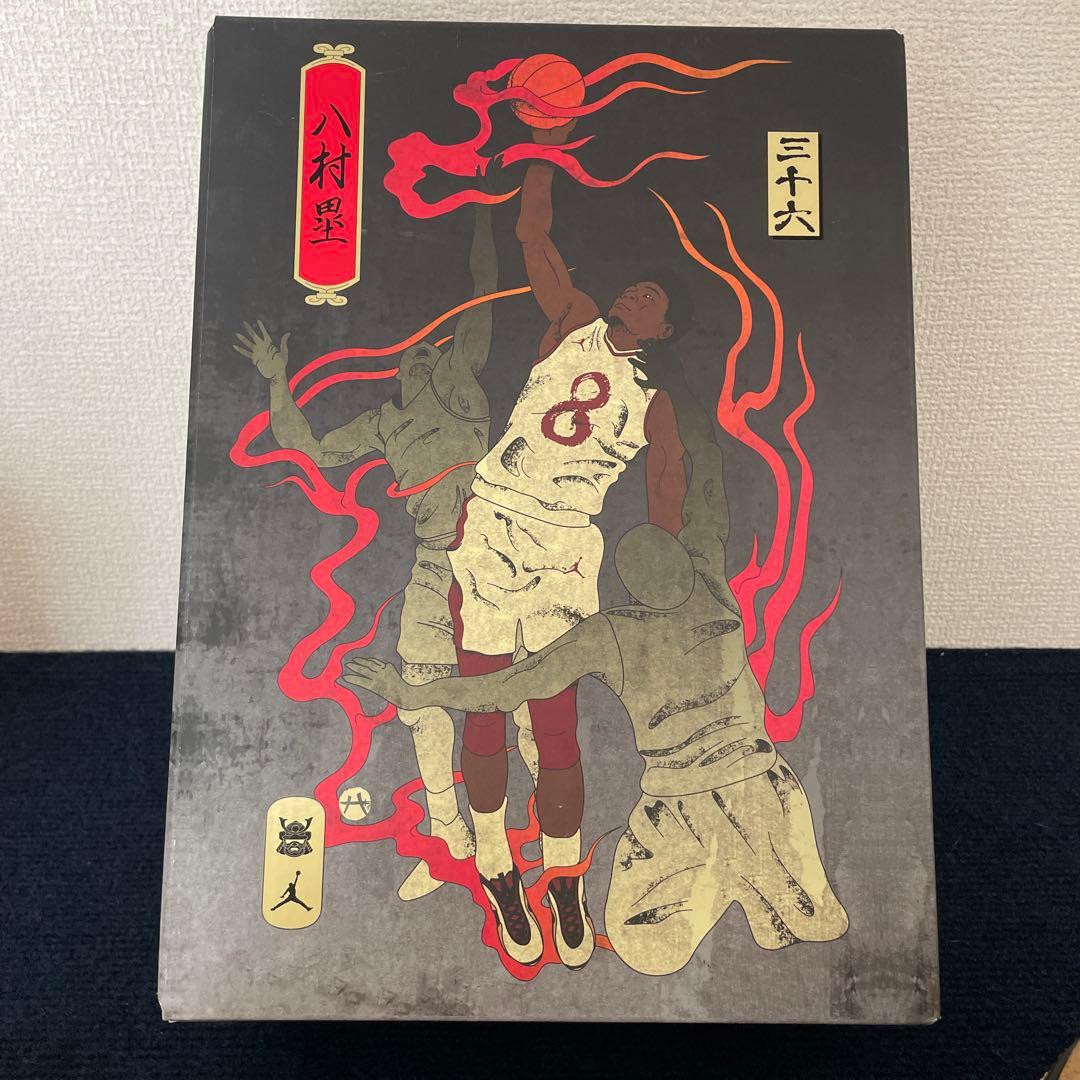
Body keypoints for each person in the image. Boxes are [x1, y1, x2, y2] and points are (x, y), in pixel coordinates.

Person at [345, 381, 848, 974]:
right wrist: (683, 400)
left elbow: (706, 479)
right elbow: (501, 690)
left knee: (780, 933)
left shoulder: (642, 613)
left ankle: (714, 883)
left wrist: (414, 692)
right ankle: (717, 885)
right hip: (708, 792)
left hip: (733, 786)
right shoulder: (649, 611)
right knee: (653, 949)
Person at [437, 116, 692, 969]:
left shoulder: (656, 401)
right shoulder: (574, 318)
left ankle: (563, 877)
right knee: (483, 713)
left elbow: (667, 482)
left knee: (556, 730)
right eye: (638, 286)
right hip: (495, 522)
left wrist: (662, 571)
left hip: (563, 550)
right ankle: (494, 863)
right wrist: (544, 151)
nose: (639, 294)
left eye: (654, 299)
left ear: (665, 332)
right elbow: (533, 236)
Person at [234, 204, 508, 902]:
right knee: (420, 693)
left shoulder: (460, 383)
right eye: (412, 356)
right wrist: (276, 378)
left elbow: (482, 296)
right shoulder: (385, 423)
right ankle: (448, 833)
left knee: (522, 693)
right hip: (435, 561)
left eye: (430, 353)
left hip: (499, 554)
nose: (421, 359)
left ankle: (509, 840)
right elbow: (308, 446)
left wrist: (485, 217)